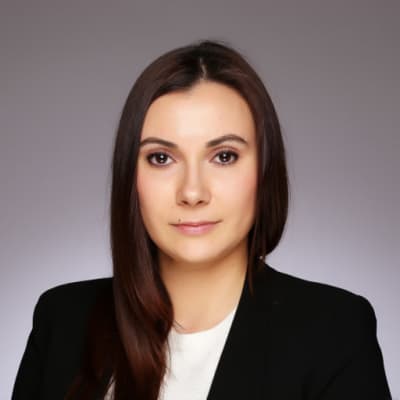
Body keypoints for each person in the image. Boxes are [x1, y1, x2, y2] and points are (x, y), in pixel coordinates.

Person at [12, 40, 392, 400]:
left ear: (264, 171)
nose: (192, 192)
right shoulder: (63, 319)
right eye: (161, 158)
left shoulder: (333, 332)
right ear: (130, 176)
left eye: (224, 156)